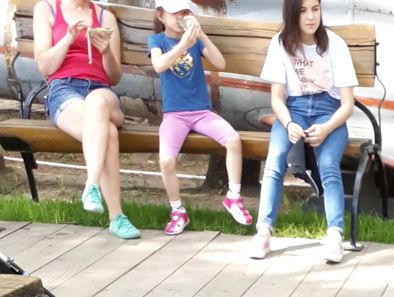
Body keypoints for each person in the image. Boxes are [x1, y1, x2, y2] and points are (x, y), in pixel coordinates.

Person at [248, 0, 357, 264]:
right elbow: (277, 99)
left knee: (328, 164)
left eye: (315, 9)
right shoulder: (280, 43)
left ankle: (335, 235)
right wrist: (288, 124)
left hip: (329, 112)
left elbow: (348, 105)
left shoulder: (335, 44)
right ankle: (263, 232)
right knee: (275, 159)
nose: (310, 17)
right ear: (292, 13)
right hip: (293, 110)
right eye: (303, 10)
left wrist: (327, 128)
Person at [32, 0, 140, 239]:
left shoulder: (104, 17)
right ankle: (117, 217)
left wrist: (105, 51)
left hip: (101, 89)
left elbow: (114, 77)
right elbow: (45, 66)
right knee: (108, 132)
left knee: (97, 102)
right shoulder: (47, 9)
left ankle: (91, 185)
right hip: (64, 89)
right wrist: (68, 39)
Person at [147, 0, 254, 236]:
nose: (181, 17)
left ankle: (233, 197)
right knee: (166, 161)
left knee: (233, 140)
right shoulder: (158, 41)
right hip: (174, 114)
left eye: (185, 12)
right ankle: (177, 210)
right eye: (175, 13)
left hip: (201, 112)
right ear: (161, 16)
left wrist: (201, 36)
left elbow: (220, 63)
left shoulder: (195, 41)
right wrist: (183, 45)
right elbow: (159, 65)